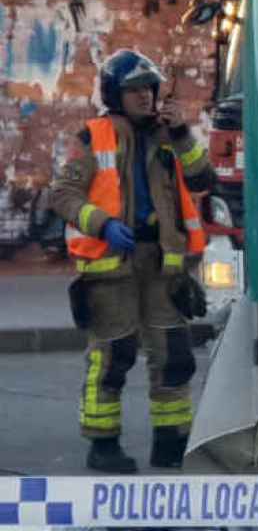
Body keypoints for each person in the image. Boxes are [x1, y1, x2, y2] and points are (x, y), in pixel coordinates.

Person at [50, 49, 213, 473]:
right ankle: (103, 445)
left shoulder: (169, 136)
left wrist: (183, 135)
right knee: (112, 356)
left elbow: (202, 179)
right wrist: (102, 225)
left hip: (163, 264)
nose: (144, 97)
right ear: (114, 94)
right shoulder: (93, 135)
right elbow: (63, 195)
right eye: (134, 90)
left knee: (173, 356)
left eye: (149, 89)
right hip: (112, 265)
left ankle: (170, 444)